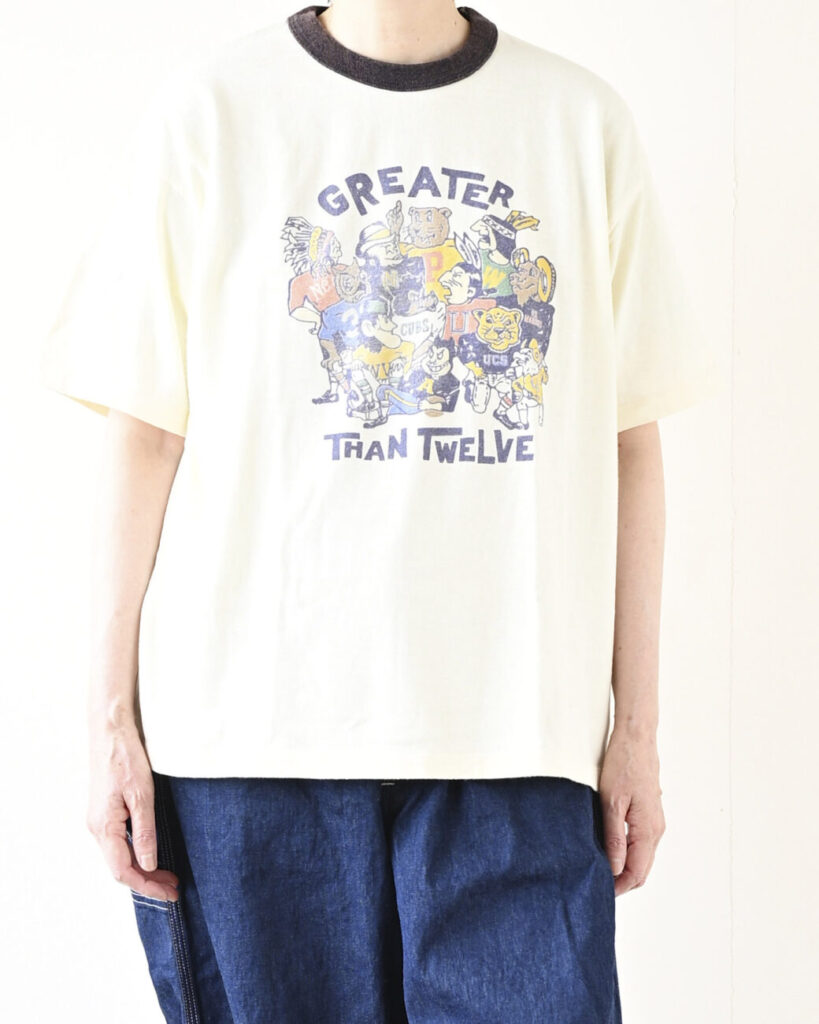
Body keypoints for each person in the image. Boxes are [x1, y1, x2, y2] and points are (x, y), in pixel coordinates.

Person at [40, 2, 722, 1021]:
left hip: (517, 739)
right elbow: (143, 435)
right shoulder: (214, 112)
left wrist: (638, 731)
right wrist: (107, 725)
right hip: (248, 741)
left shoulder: (579, 123)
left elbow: (629, 443)